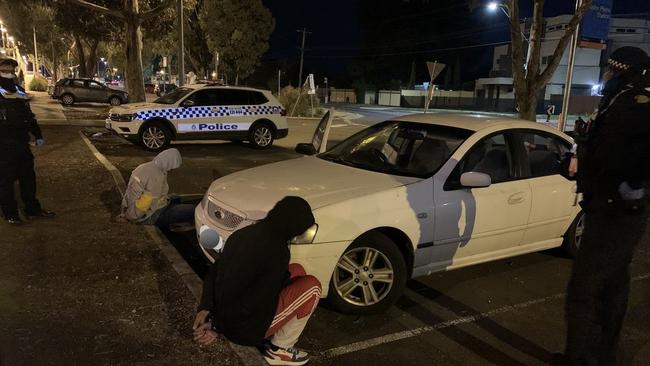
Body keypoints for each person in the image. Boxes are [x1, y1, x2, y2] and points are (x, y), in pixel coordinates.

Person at [557, 47, 650, 365]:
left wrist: (632, 187)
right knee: (612, 286)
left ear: (621, 70)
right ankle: (603, 355)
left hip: (615, 211)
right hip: (609, 205)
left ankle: (579, 359)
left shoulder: (636, 103)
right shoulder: (619, 100)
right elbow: (607, 148)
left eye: (611, 68)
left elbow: (628, 154)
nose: (606, 73)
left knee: (583, 290)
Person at [193, 196, 322, 366]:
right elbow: (256, 299)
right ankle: (279, 349)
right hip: (244, 328)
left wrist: (205, 307)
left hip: (225, 309)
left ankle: (272, 340)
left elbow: (216, 271)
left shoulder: (243, 233)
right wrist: (217, 327)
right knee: (313, 287)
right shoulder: (277, 251)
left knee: (297, 270)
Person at [0, 57, 54, 225]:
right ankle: (11, 213)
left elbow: (29, 116)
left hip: (21, 143)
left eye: (12, 70)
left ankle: (32, 209)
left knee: (28, 177)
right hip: (3, 144)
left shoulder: (19, 90)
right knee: (6, 181)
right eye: (6, 70)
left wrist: (37, 135)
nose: (10, 73)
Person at [119, 148, 195, 231]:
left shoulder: (151, 167)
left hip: (142, 208)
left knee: (176, 197)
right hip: (150, 215)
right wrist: (130, 217)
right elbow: (145, 202)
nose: (172, 170)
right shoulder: (155, 177)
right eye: (173, 167)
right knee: (192, 210)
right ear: (169, 163)